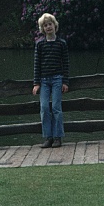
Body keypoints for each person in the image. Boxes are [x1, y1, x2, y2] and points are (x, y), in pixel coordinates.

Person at [32, 13, 70, 148]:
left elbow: (65, 63)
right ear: (42, 29)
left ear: (55, 25)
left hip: (57, 79)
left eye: (50, 24)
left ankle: (58, 137)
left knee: (56, 108)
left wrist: (65, 81)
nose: (48, 27)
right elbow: (37, 64)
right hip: (44, 81)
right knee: (43, 108)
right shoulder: (39, 44)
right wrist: (36, 83)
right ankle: (48, 137)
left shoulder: (61, 43)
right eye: (45, 25)